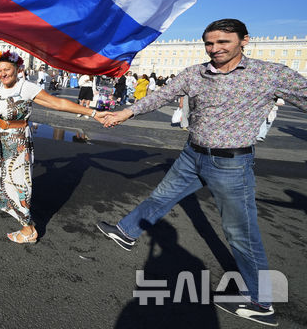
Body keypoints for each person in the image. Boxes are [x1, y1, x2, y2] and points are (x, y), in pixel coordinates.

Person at [97, 19, 307, 326]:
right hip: (192, 154)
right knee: (162, 196)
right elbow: (160, 95)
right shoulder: (196, 73)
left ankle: (260, 301)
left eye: (223, 42)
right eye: (209, 43)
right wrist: (124, 113)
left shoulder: (270, 74)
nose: (215, 48)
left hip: (231, 164)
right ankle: (127, 231)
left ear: (244, 40)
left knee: (241, 232)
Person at [0, 50, 109, 244]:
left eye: (7, 69)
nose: (3, 73)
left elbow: (57, 103)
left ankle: (29, 229)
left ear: (17, 69)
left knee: (17, 186)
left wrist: (92, 113)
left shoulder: (26, 88)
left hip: (18, 142)